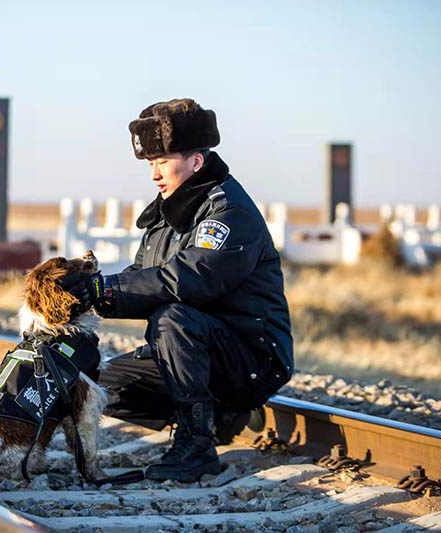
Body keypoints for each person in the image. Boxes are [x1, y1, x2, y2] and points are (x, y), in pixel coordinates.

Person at [64, 98, 293, 482]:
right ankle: (216, 412)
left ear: (196, 162)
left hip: (251, 358)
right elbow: (143, 275)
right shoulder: (171, 210)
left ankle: (196, 446)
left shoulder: (228, 212)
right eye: (150, 163)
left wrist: (106, 288)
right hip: (195, 348)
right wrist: (91, 291)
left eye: (163, 161)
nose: (154, 174)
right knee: (98, 387)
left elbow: (187, 280)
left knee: (172, 317)